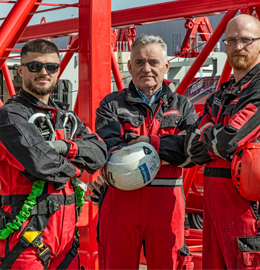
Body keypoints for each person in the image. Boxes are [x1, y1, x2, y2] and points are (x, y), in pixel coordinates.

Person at [0, 39, 107, 270]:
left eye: (51, 67)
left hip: (66, 241)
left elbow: (100, 153)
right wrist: (78, 166)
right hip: (26, 237)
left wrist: (66, 148)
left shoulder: (65, 116)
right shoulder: (10, 117)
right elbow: (41, 164)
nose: (43, 72)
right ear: (20, 70)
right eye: (35, 67)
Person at [184, 14, 260, 269]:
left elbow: (225, 143)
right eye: (231, 40)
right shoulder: (222, 93)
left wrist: (209, 132)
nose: (238, 46)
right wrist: (212, 135)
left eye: (245, 40)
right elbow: (194, 149)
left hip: (248, 209)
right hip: (216, 206)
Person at [94, 34, 197, 270]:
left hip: (166, 206)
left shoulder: (183, 106)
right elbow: (110, 151)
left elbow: (190, 151)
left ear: (166, 66)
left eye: (153, 62)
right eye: (139, 62)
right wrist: (169, 146)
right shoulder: (111, 105)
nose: (146, 68)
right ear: (129, 66)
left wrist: (143, 143)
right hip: (121, 204)